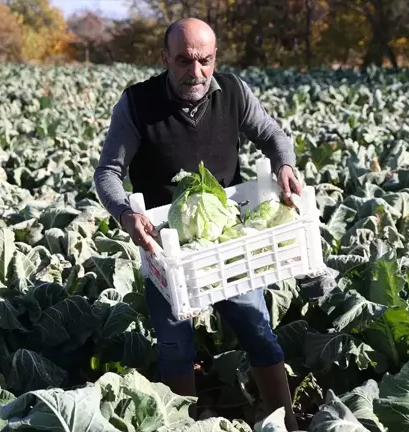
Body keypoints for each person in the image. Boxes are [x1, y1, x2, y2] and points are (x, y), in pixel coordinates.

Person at [93, 17, 304, 430]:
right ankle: (185, 423)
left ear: (215, 58)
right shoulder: (137, 103)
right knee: (174, 345)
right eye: (184, 61)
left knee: (257, 329)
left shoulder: (234, 93)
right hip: (165, 244)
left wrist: (284, 163)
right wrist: (125, 213)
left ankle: (288, 421)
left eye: (204, 61)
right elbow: (107, 172)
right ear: (164, 59)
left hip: (226, 239)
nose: (196, 72)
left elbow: (273, 135)